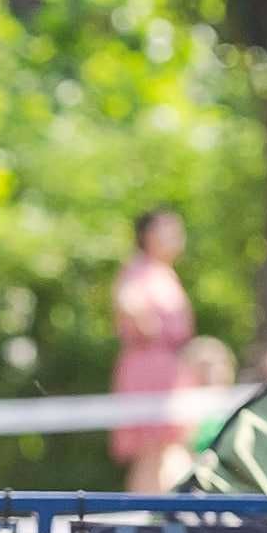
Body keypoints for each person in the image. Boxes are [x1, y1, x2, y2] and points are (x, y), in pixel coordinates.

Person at [107, 208, 195, 493]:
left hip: (170, 371)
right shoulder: (139, 269)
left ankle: (162, 517)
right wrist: (148, 326)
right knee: (150, 451)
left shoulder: (165, 274)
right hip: (148, 370)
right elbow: (126, 301)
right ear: (147, 236)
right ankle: (143, 522)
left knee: (168, 449)